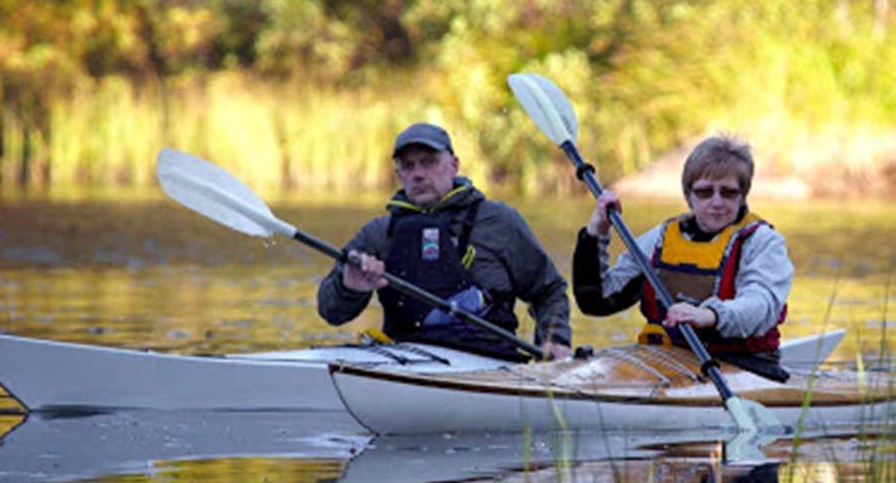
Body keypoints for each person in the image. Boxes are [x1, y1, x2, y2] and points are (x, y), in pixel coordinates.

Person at [318, 122, 571, 361]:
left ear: (454, 165)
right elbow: (331, 312)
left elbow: (548, 291)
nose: (418, 174)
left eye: (429, 163)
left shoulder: (499, 222)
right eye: (408, 166)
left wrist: (554, 342)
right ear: (399, 174)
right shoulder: (379, 233)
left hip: (489, 363)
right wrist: (349, 287)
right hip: (405, 363)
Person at [572, 136, 793, 380]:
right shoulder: (660, 239)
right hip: (663, 363)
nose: (717, 202)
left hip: (743, 368)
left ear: (743, 196)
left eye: (728, 193)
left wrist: (709, 315)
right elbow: (595, 301)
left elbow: (761, 305)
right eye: (705, 192)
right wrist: (596, 232)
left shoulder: (762, 242)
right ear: (689, 195)